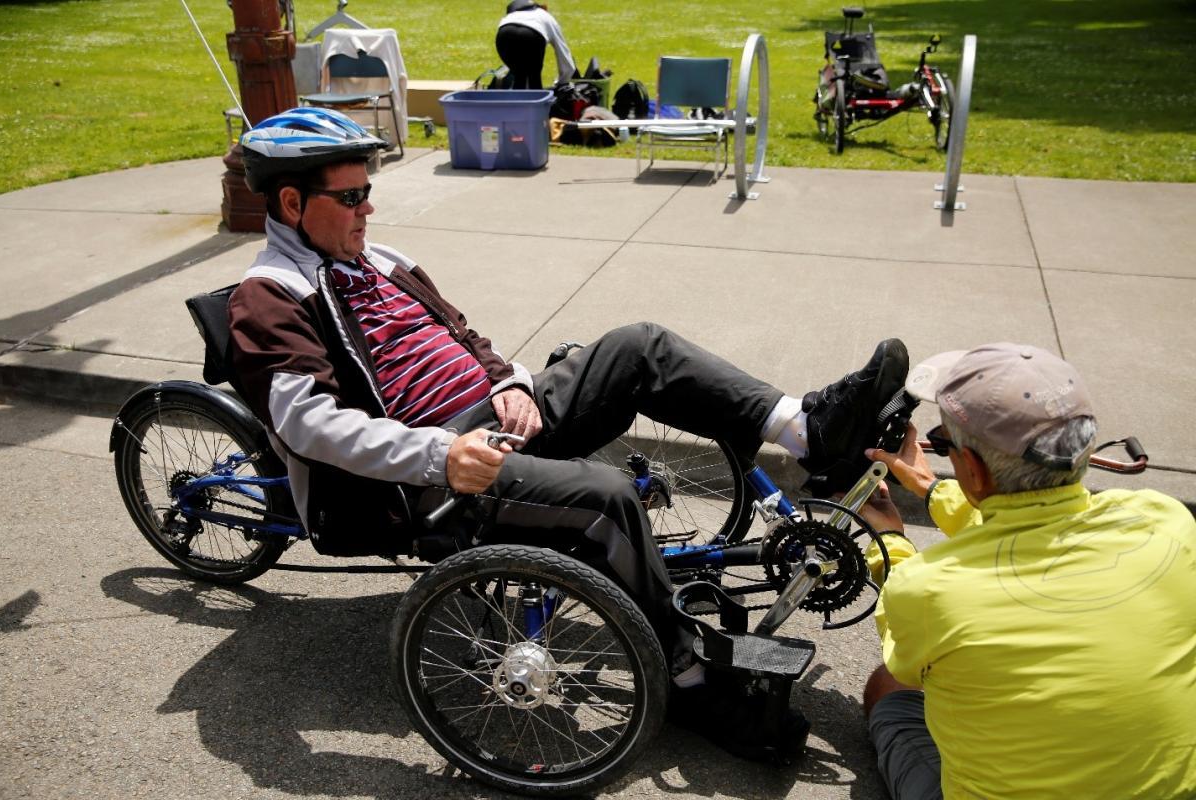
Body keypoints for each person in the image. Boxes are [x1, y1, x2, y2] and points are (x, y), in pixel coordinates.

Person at [227, 106, 908, 750]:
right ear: (292, 204)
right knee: (607, 497)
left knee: (639, 346)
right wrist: (443, 453)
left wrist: (509, 381)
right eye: (350, 198)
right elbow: (309, 425)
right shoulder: (270, 297)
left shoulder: (380, 260)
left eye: (367, 191)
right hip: (430, 477)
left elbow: (464, 333)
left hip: (494, 419)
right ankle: (693, 685)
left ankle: (810, 431)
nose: (367, 207)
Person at [857, 343, 1196, 799]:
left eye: (943, 444)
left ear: (972, 469)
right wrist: (933, 489)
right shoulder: (1162, 520)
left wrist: (890, 542)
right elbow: (1037, 523)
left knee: (891, 687)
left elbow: (911, 653)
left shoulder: (929, 591)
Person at [495, 0, 576, 90]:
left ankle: (516, 100)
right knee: (534, 77)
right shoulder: (546, 16)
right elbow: (562, 51)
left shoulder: (511, 15)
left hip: (504, 33)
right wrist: (563, 81)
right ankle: (535, 101)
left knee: (519, 74)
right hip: (532, 34)